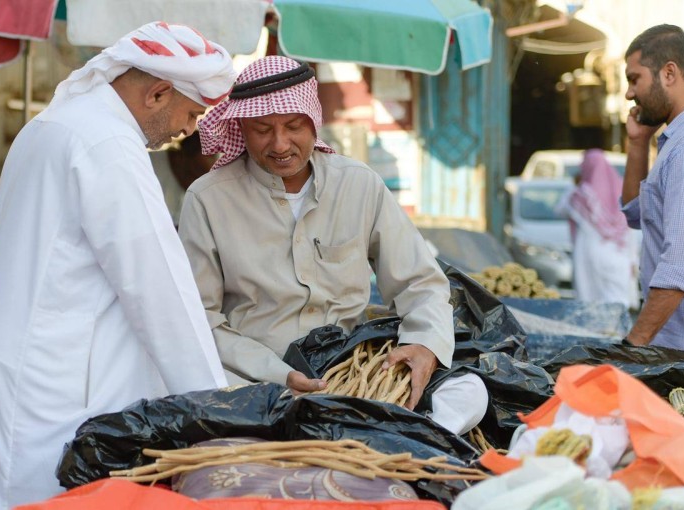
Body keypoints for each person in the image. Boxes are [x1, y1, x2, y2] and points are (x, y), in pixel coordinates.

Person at [0, 23, 236, 510]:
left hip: (12, 371)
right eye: (192, 113)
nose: (190, 131)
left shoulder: (57, 123)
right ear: (157, 93)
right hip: (46, 389)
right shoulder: (107, 146)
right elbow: (158, 290)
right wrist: (216, 414)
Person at [178, 56, 488, 434]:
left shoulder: (359, 184)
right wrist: (278, 373)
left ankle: (410, 434)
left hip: (351, 369)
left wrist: (424, 344)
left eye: (293, 126)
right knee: (191, 390)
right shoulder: (208, 199)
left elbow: (419, 282)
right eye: (262, 129)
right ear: (241, 127)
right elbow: (201, 320)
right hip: (254, 376)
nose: (280, 144)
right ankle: (378, 434)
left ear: (313, 120)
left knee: (470, 389)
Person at [620, 25, 684, 352]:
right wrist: (638, 142)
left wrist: (632, 347)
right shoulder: (677, 140)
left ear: (669, 73)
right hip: (677, 350)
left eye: (634, 78)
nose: (629, 94)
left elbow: (680, 268)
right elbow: (634, 214)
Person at [555, 149, 637, 307]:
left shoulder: (582, 195)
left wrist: (575, 185)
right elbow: (630, 230)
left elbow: (560, 209)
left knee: (591, 301)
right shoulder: (622, 191)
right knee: (617, 302)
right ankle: (615, 332)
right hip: (619, 254)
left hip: (591, 254)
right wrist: (633, 259)